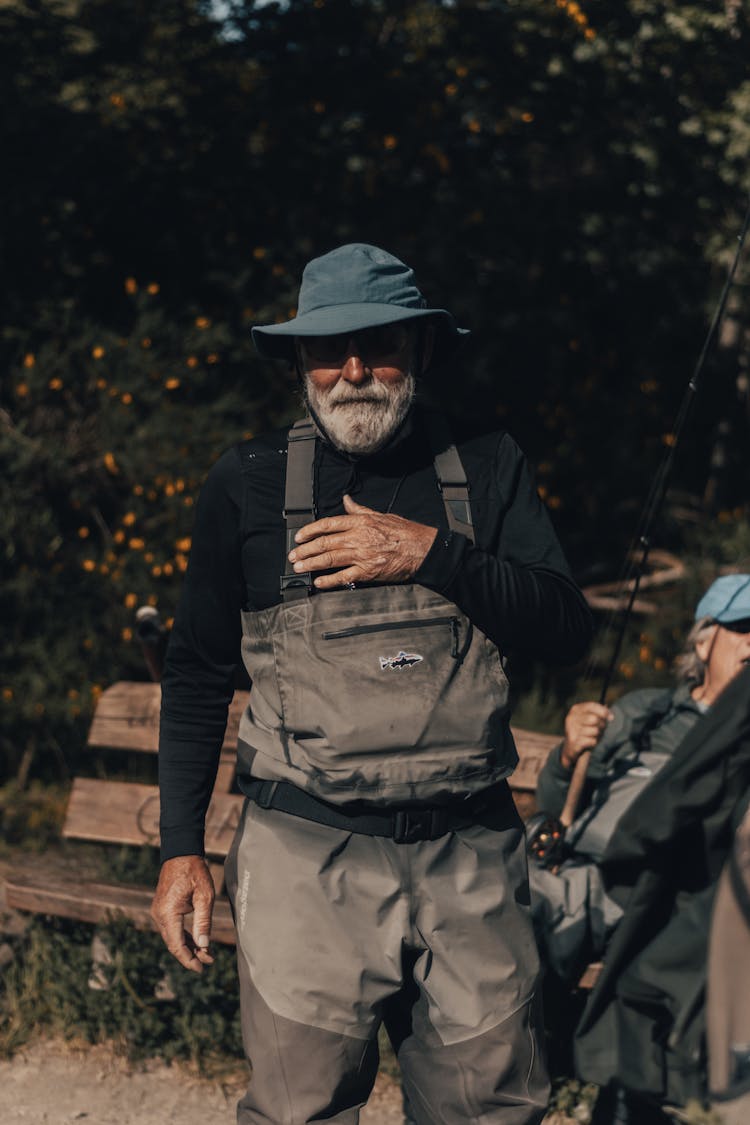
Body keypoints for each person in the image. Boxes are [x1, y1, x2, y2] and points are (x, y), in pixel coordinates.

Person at [150, 242, 593, 1124]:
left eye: (379, 344)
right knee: (299, 1112)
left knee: (494, 1110)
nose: (354, 370)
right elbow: (198, 670)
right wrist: (179, 848)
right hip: (304, 861)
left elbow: (564, 628)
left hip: (471, 852)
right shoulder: (246, 483)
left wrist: (436, 556)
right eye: (328, 349)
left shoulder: (489, 462)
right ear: (300, 362)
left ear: (421, 350)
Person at [528, 574, 750, 985]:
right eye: (741, 627)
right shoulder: (644, 714)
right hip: (582, 878)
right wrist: (567, 755)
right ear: (703, 643)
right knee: (497, 902)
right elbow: (556, 810)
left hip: (668, 901)